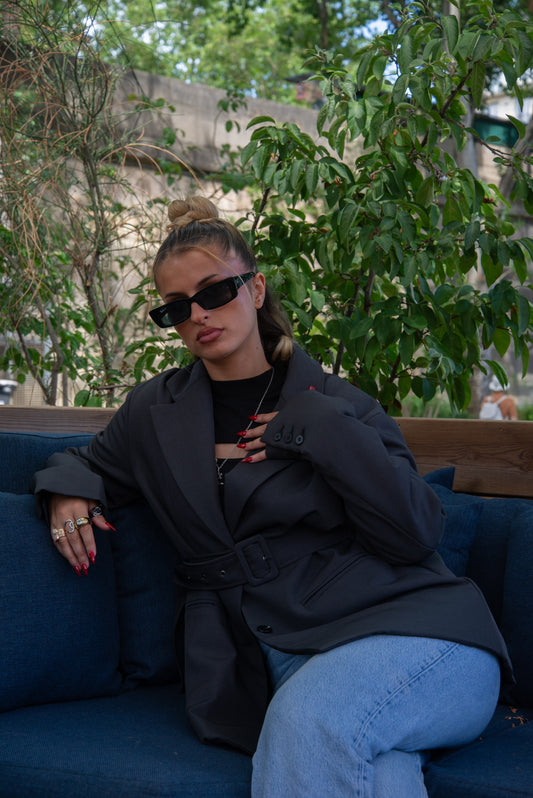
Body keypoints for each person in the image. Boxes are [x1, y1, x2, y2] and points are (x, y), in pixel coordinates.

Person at [34, 196, 511, 798]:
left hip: (422, 639)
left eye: (214, 292)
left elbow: (417, 532)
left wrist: (326, 431)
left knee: (311, 722)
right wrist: (65, 493)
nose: (198, 315)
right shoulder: (155, 412)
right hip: (275, 658)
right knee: (376, 771)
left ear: (255, 289)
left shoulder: (339, 404)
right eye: (176, 307)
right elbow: (84, 463)